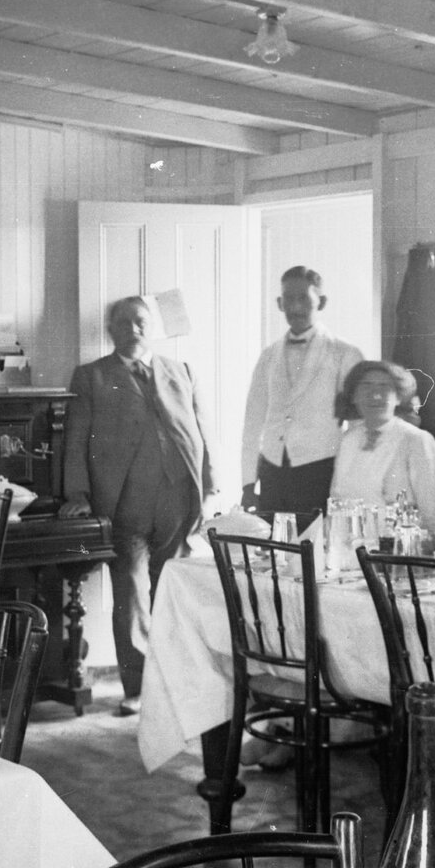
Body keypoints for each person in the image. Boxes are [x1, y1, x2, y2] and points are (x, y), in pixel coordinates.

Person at [62, 296, 218, 716]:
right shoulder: (91, 376)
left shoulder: (181, 370)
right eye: (125, 322)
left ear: (154, 327)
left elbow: (204, 430)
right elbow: (76, 437)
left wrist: (209, 488)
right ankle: (138, 688)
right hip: (125, 502)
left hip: (179, 499)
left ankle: (177, 681)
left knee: (174, 591)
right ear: (111, 329)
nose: (135, 328)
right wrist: (77, 493)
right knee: (130, 591)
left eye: (142, 321)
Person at [241, 265, 365, 529]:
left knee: (313, 552)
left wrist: (345, 483)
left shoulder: (344, 353)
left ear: (321, 301)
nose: (295, 307)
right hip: (272, 471)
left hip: (319, 472)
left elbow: (356, 426)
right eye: (288, 299)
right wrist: (248, 483)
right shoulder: (268, 356)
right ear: (279, 303)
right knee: (273, 553)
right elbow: (252, 422)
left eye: (304, 299)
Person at [328, 360, 435, 530]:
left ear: (398, 397)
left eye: (384, 387)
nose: (375, 395)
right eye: (366, 386)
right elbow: (337, 501)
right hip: (348, 543)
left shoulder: (416, 440)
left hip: (398, 548)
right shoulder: (348, 440)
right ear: (354, 396)